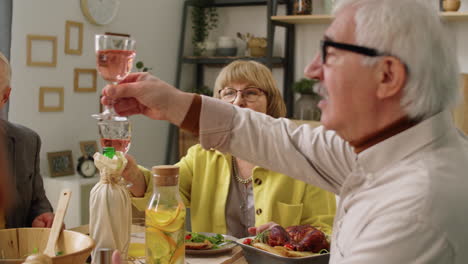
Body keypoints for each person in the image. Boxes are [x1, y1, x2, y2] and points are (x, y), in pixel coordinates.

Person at [102, 0, 468, 262]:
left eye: (330, 53)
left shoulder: (413, 213)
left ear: (387, 76)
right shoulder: (385, 146)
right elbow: (278, 138)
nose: (311, 70)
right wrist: (175, 101)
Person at [123, 60, 336, 238]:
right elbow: (164, 192)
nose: (238, 101)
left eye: (251, 93)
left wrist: (287, 235)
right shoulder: (200, 156)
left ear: (270, 102)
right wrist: (132, 174)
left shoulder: (301, 158)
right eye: (229, 93)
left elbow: (325, 231)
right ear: (217, 103)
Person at [0, 52, 54, 228]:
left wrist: (41, 218)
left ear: (5, 97)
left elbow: (38, 203)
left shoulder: (28, 141)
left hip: (17, 253)